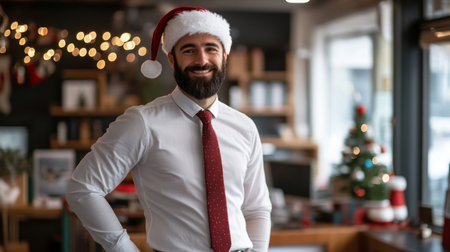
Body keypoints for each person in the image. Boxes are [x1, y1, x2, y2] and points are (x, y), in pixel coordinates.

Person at [66, 6, 272, 252]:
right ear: (172, 58)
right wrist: (123, 248)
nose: (202, 59)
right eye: (189, 50)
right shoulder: (142, 122)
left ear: (224, 56)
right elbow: (83, 188)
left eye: (211, 48)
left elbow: (257, 208)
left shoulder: (244, 127)